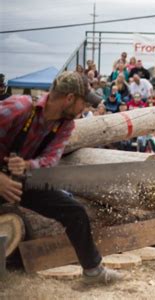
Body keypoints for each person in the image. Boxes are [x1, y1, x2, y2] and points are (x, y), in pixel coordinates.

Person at [0, 71, 122, 285]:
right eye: (84, 103)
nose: (85, 110)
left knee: (74, 212)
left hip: (20, 178)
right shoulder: (19, 107)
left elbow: (50, 160)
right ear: (69, 98)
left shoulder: (65, 124)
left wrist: (28, 165)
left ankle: (93, 272)